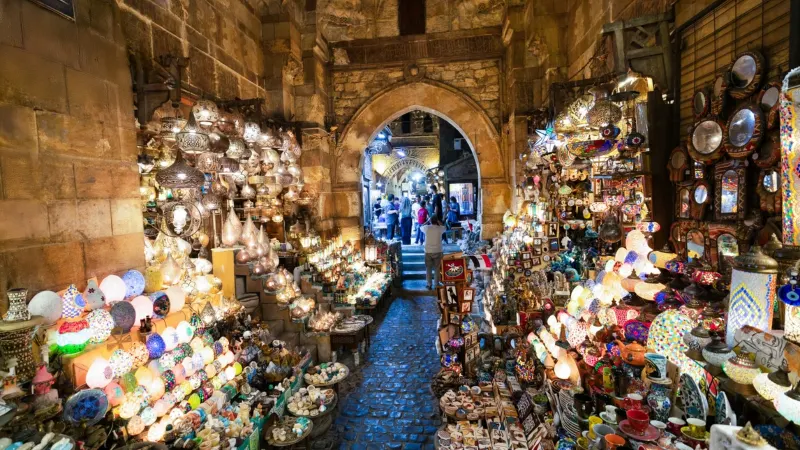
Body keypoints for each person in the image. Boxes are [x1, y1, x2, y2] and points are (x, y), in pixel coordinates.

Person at [421, 216, 447, 290]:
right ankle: (436, 284)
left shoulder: (426, 228)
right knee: (437, 268)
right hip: (438, 251)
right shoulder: (440, 228)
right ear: (437, 221)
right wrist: (439, 222)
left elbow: (421, 226)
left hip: (428, 251)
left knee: (428, 268)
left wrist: (427, 221)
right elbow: (444, 227)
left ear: (430, 221)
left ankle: (429, 284)